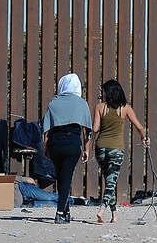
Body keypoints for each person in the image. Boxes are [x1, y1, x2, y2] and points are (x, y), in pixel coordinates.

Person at [92, 79, 149, 223]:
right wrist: (144, 138)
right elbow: (139, 126)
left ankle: (114, 214)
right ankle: (101, 210)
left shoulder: (100, 107)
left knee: (109, 181)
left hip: (101, 148)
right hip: (116, 149)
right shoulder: (125, 108)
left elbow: (95, 129)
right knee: (111, 183)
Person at [42, 73, 93, 224]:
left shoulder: (54, 102)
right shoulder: (82, 104)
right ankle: (59, 212)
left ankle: (66, 211)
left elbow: (47, 127)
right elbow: (87, 130)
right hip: (72, 143)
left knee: (61, 177)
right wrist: (87, 149)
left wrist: (45, 146)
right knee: (66, 177)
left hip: (55, 144)